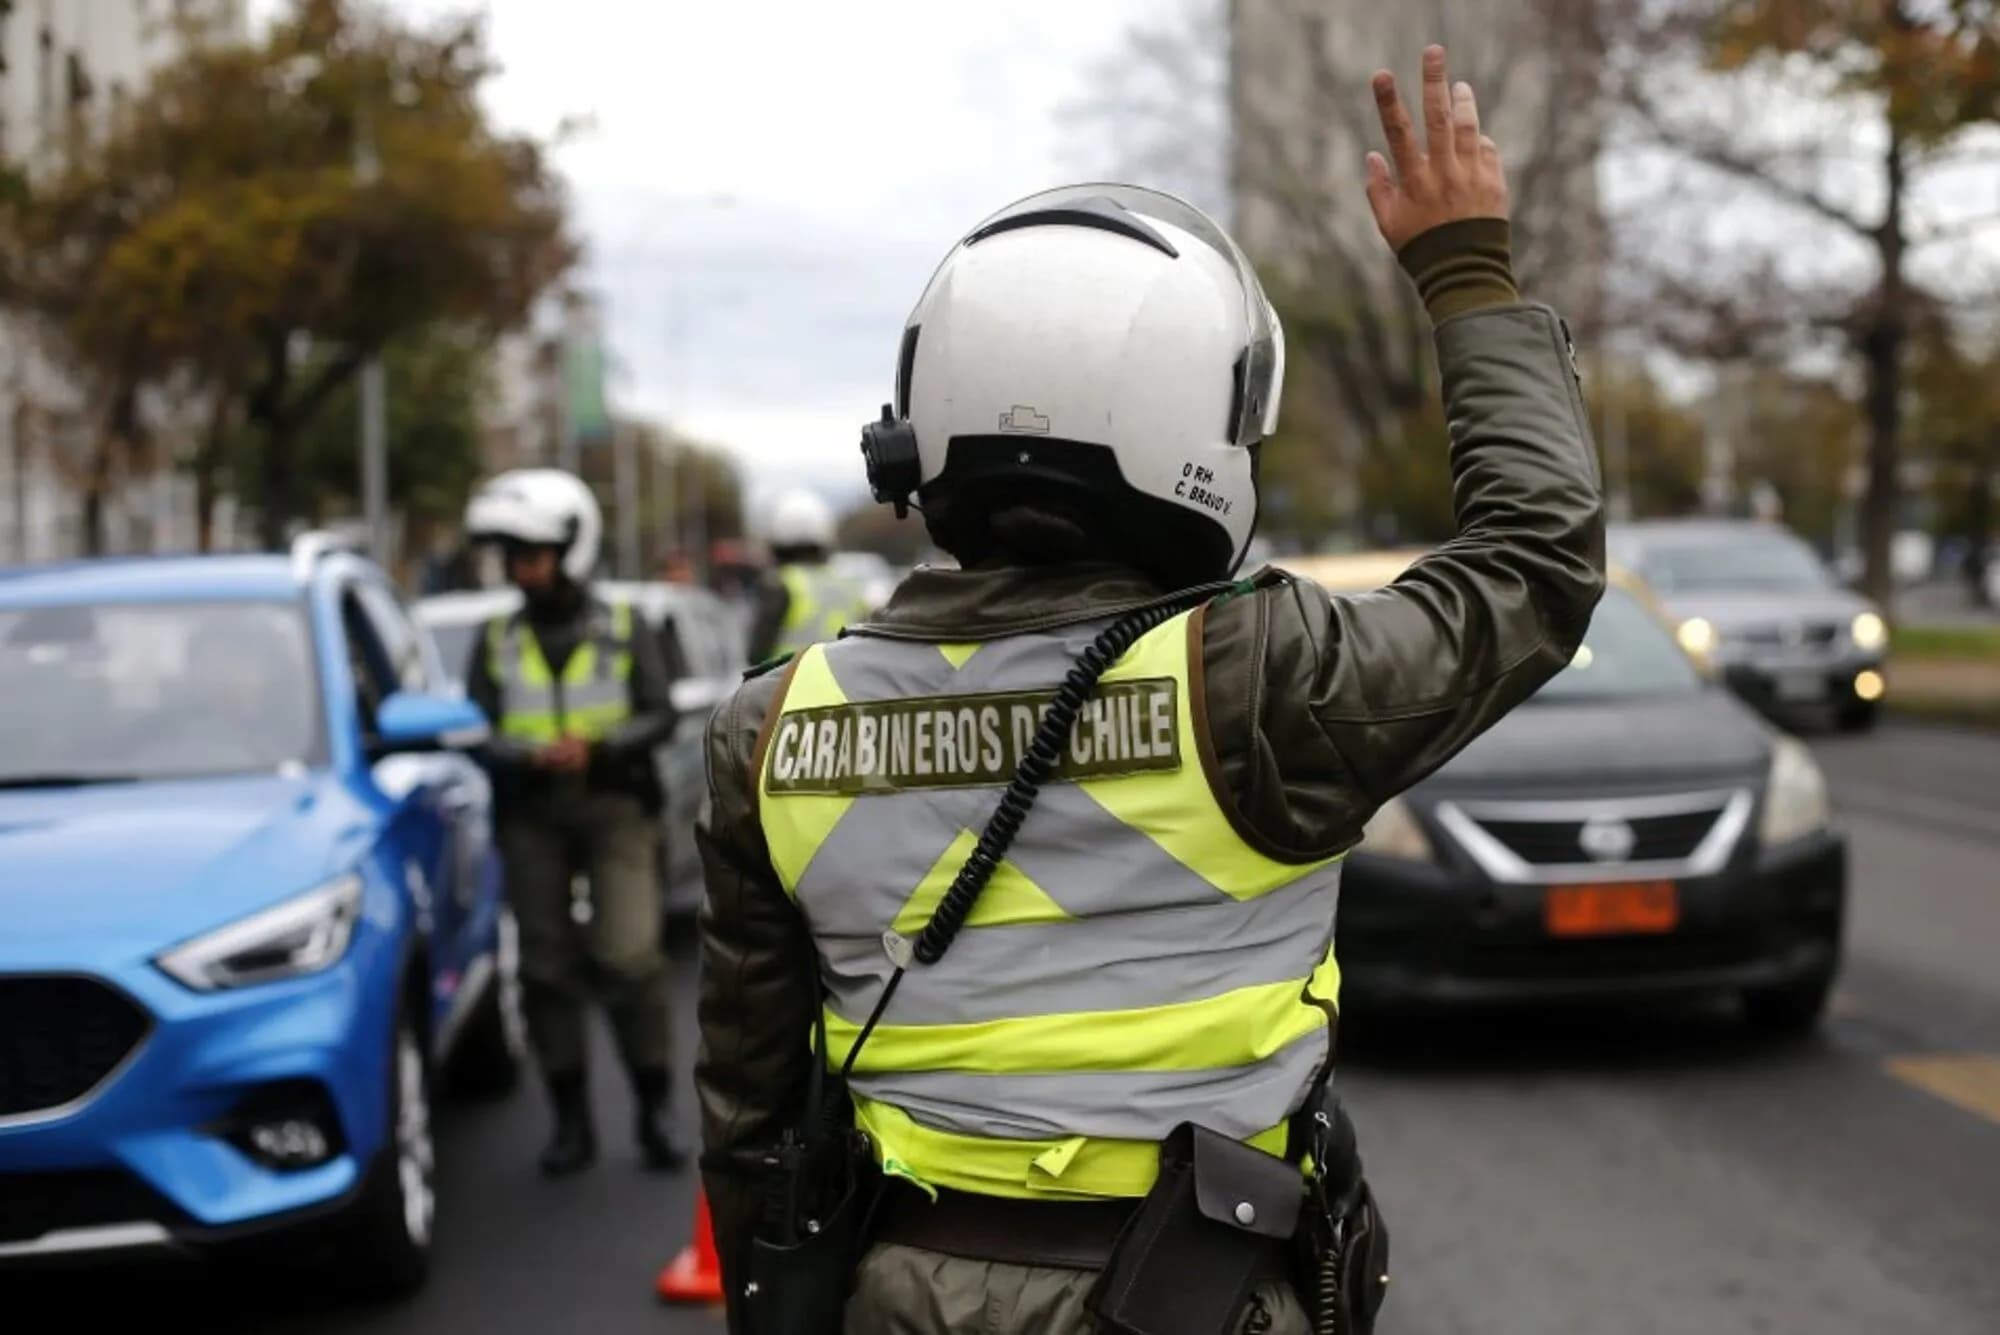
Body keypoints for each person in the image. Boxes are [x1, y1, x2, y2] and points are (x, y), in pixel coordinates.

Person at [695, 47, 1604, 1335]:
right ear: (1199, 426)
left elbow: (747, 1107)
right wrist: (1464, 273)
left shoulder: (767, 730)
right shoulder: (1267, 679)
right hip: (1198, 1291)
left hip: (893, 1291)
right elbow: (1536, 564)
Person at [461, 468, 689, 1177]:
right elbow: (475, 724)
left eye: (533, 552)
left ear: (572, 548)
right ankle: (569, 1119)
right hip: (532, 815)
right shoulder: (495, 635)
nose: (520, 568)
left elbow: (662, 711)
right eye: (512, 554)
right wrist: (519, 752)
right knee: (545, 969)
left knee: (628, 955)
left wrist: (600, 746)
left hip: (616, 807)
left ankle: (653, 1107)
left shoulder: (625, 624)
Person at [746, 488, 874, 661]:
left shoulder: (779, 584)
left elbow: (757, 653)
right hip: (843, 686)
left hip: (788, 684)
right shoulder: (849, 585)